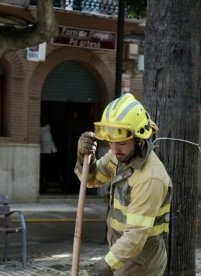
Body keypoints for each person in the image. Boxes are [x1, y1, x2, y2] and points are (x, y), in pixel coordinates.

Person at [75, 93, 172, 276]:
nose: (114, 149)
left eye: (121, 143)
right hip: (122, 253)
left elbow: (135, 238)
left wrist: (103, 267)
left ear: (140, 138)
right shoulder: (120, 156)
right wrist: (83, 159)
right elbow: (91, 179)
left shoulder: (150, 178)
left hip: (142, 263)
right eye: (111, 141)